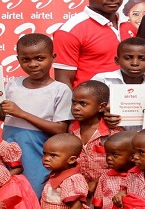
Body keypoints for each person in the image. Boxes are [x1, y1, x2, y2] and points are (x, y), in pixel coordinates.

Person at [1, 33, 73, 197]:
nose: (33, 64)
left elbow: (60, 129)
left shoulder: (60, 90)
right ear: (18, 59)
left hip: (37, 153)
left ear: (53, 57)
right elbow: (5, 117)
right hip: (9, 152)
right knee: (8, 194)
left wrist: (21, 113)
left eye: (40, 58)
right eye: (26, 60)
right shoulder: (13, 84)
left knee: (33, 194)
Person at [53, 0, 133, 89]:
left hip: (128, 103)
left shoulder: (128, 26)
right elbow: (63, 82)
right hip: (91, 105)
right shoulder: (70, 31)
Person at [69, 80, 121, 196]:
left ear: (101, 107)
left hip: (109, 192)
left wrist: (98, 181)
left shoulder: (113, 133)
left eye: (83, 104)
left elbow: (123, 165)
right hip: (79, 192)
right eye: (74, 102)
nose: (76, 108)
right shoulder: (71, 130)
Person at [40, 133, 88, 209]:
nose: (46, 158)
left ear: (71, 160)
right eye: (45, 154)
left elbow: (76, 206)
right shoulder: (55, 174)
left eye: (53, 155)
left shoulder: (72, 179)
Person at [92, 131, 136, 209]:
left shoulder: (138, 177)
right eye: (107, 153)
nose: (108, 158)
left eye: (115, 154)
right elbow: (98, 203)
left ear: (132, 157)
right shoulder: (105, 177)